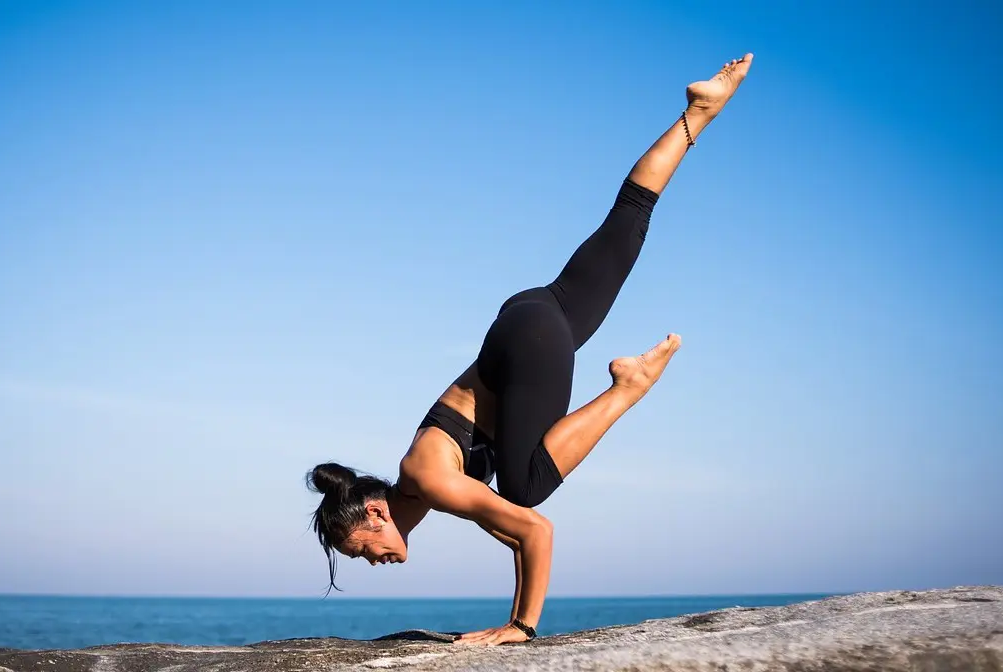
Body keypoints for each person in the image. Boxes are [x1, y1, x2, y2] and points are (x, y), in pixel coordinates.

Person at [305, 54, 754, 646]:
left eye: (362, 552)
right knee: (627, 223)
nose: (371, 563)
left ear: (375, 515)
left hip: (530, 344)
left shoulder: (428, 478)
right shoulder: (419, 488)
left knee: (524, 488)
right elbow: (509, 531)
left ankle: (627, 388)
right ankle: (700, 111)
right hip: (531, 318)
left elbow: (533, 529)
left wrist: (519, 626)